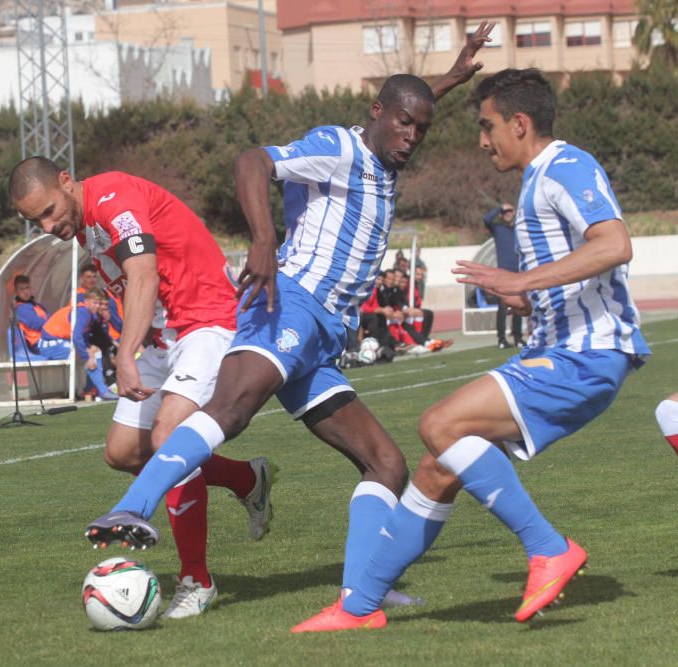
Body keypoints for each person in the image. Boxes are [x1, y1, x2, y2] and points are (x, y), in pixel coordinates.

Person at [83, 23, 497, 632]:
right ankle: (133, 507)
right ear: (376, 112)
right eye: (403, 123)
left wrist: (453, 78)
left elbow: (409, 105)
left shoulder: (386, 153)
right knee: (230, 410)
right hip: (290, 304)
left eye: (421, 128)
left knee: (387, 465)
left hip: (322, 337)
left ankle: (361, 598)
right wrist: (264, 237)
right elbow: (252, 160)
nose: (411, 136)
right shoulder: (340, 146)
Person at [332, 68, 652, 631]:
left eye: (488, 127)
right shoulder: (534, 182)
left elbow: (615, 244)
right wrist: (525, 295)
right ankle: (358, 607)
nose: (482, 141)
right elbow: (575, 279)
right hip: (561, 346)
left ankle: (547, 547)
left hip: (586, 354)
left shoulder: (566, 167)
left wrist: (522, 282)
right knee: (437, 471)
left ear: (520, 123)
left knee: (440, 425)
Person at [11, 157, 274, 618]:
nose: (48, 225)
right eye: (37, 221)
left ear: (68, 182)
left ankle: (196, 578)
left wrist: (124, 352)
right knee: (124, 453)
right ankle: (245, 478)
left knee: (169, 435)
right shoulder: (85, 224)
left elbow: (145, 273)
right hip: (161, 335)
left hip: (204, 320)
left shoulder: (114, 198)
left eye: (50, 211)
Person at [38, 288, 118, 400]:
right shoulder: (83, 312)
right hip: (49, 344)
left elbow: (83, 335)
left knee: (94, 351)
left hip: (60, 342)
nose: (97, 306)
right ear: (86, 301)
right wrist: (87, 357)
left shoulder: (89, 314)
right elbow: (76, 336)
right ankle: (100, 391)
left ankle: (99, 390)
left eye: (99, 303)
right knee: (86, 357)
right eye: (94, 302)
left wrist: (89, 353)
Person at [484, 201, 526, 348]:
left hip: (518, 272)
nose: (508, 214)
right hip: (503, 273)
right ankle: (501, 339)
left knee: (518, 306)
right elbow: (487, 219)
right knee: (503, 306)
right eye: (505, 212)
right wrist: (499, 208)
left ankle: (518, 337)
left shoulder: (518, 229)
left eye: (510, 211)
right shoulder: (497, 228)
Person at [12, 274, 50, 358]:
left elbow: (49, 316)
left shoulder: (36, 305)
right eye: (21, 289)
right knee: (69, 349)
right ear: (16, 291)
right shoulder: (21, 308)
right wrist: (54, 324)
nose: (25, 292)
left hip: (46, 338)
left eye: (27, 288)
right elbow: (35, 323)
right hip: (37, 343)